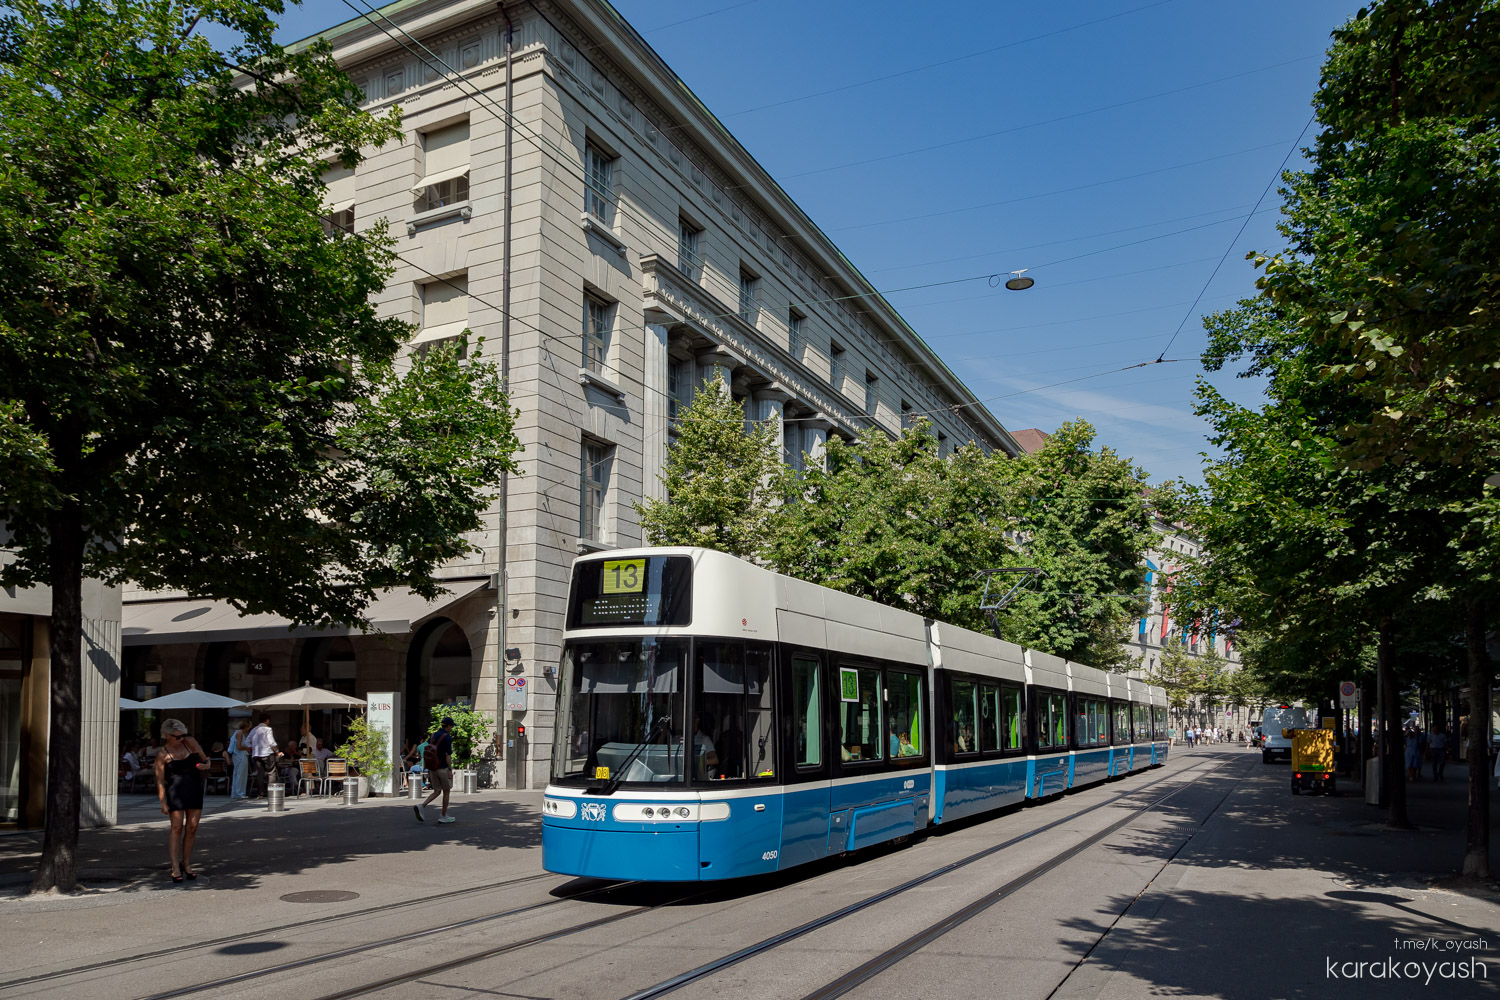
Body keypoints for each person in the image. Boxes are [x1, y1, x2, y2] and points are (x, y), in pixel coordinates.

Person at [155, 719, 209, 882]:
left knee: (192, 827)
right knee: (177, 828)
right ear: (166, 736)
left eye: (182, 735)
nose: (181, 739)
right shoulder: (163, 754)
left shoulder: (189, 743)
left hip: (193, 788)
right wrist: (163, 802)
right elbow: (159, 781)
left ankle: (186, 863)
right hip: (175, 791)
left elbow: (205, 760)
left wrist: (204, 765)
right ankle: (175, 866)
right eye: (177, 737)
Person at [417, 717, 457, 824]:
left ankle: (422, 805)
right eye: (451, 726)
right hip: (443, 767)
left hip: (433, 767)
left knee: (437, 791)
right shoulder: (447, 737)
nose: (451, 728)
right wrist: (449, 768)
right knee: (446, 791)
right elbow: (448, 755)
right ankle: (443, 815)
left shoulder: (433, 735)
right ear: (448, 726)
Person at [246, 713, 278, 798]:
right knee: (271, 772)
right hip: (267, 753)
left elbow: (247, 741)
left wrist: (252, 748)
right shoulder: (268, 729)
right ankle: (272, 792)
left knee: (260, 773)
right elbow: (271, 742)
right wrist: (277, 751)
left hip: (256, 754)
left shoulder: (254, 730)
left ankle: (261, 793)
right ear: (267, 720)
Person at [227, 719, 251, 799]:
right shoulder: (240, 733)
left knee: (237, 773)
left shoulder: (237, 732)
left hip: (237, 755)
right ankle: (240, 793)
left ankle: (235, 792)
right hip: (240, 755)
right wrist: (247, 748)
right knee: (241, 774)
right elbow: (239, 746)